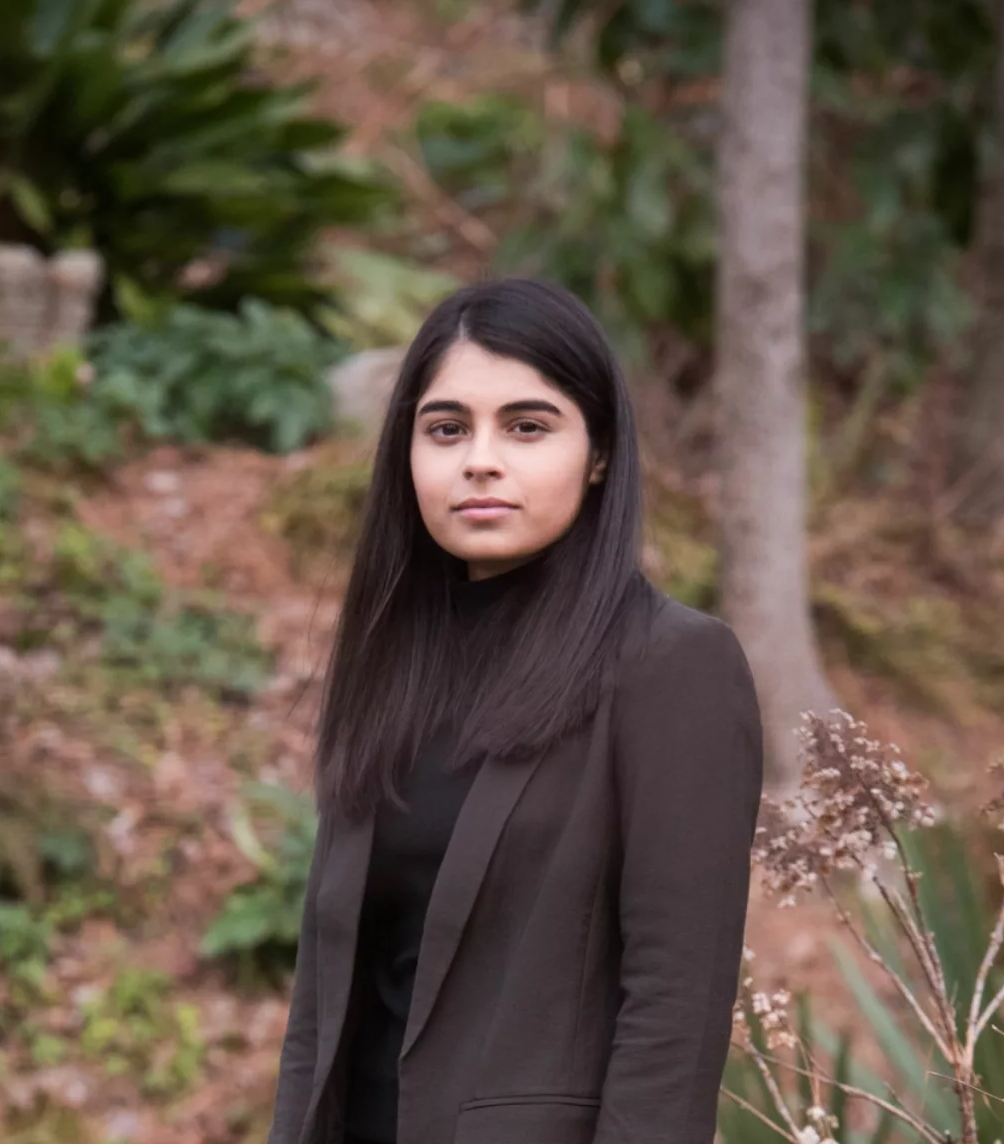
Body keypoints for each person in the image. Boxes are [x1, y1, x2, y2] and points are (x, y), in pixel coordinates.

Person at [265, 277, 764, 1144]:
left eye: (527, 427)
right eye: (446, 428)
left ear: (599, 452)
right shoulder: (389, 661)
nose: (479, 460)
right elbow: (323, 987)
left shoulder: (672, 665)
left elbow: (675, 1009)